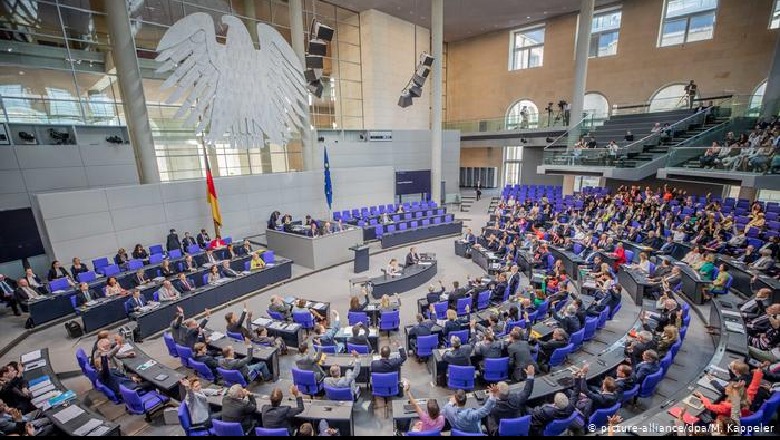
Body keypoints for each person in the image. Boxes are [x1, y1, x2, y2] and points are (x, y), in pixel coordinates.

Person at [486, 366, 535, 435]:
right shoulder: (516, 398)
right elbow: (527, 391)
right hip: (518, 429)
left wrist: (491, 395)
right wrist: (530, 376)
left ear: (497, 393)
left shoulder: (492, 407)